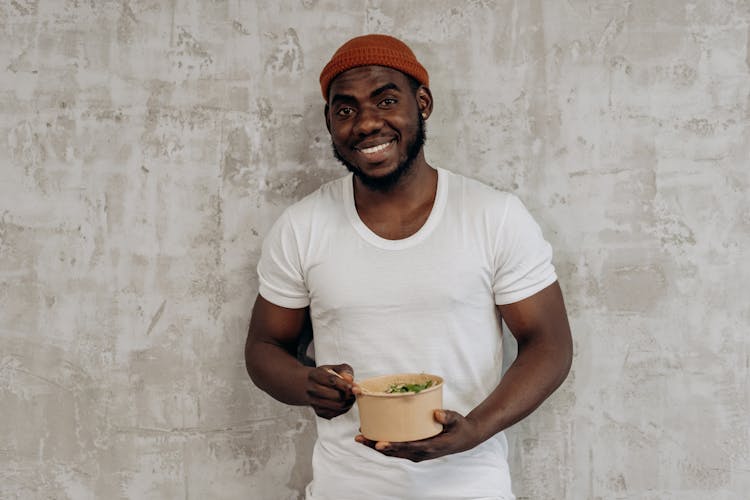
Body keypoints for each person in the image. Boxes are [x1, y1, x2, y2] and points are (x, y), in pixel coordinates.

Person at [245, 34, 573, 500]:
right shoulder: (302, 226)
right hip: (346, 488)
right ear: (330, 123)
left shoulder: (492, 216)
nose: (366, 123)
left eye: (386, 100)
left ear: (422, 103)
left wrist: (474, 429)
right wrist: (305, 382)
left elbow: (550, 344)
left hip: (470, 487)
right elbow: (264, 346)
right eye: (345, 109)